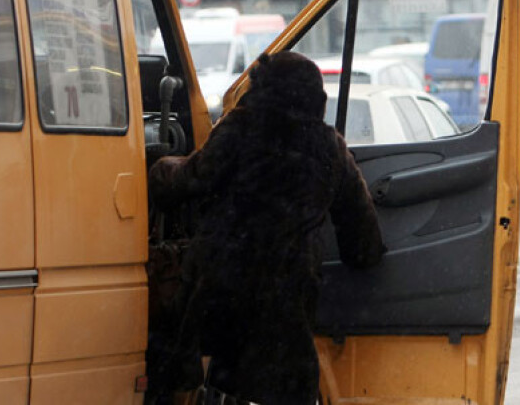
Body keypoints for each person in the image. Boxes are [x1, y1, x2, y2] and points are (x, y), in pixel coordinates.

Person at [148, 51, 386, 405]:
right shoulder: (331, 149)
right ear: (317, 100)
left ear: (258, 89)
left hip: (217, 290)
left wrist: (159, 167)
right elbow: (363, 240)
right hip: (285, 301)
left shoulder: (239, 128)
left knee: (188, 368)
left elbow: (189, 180)